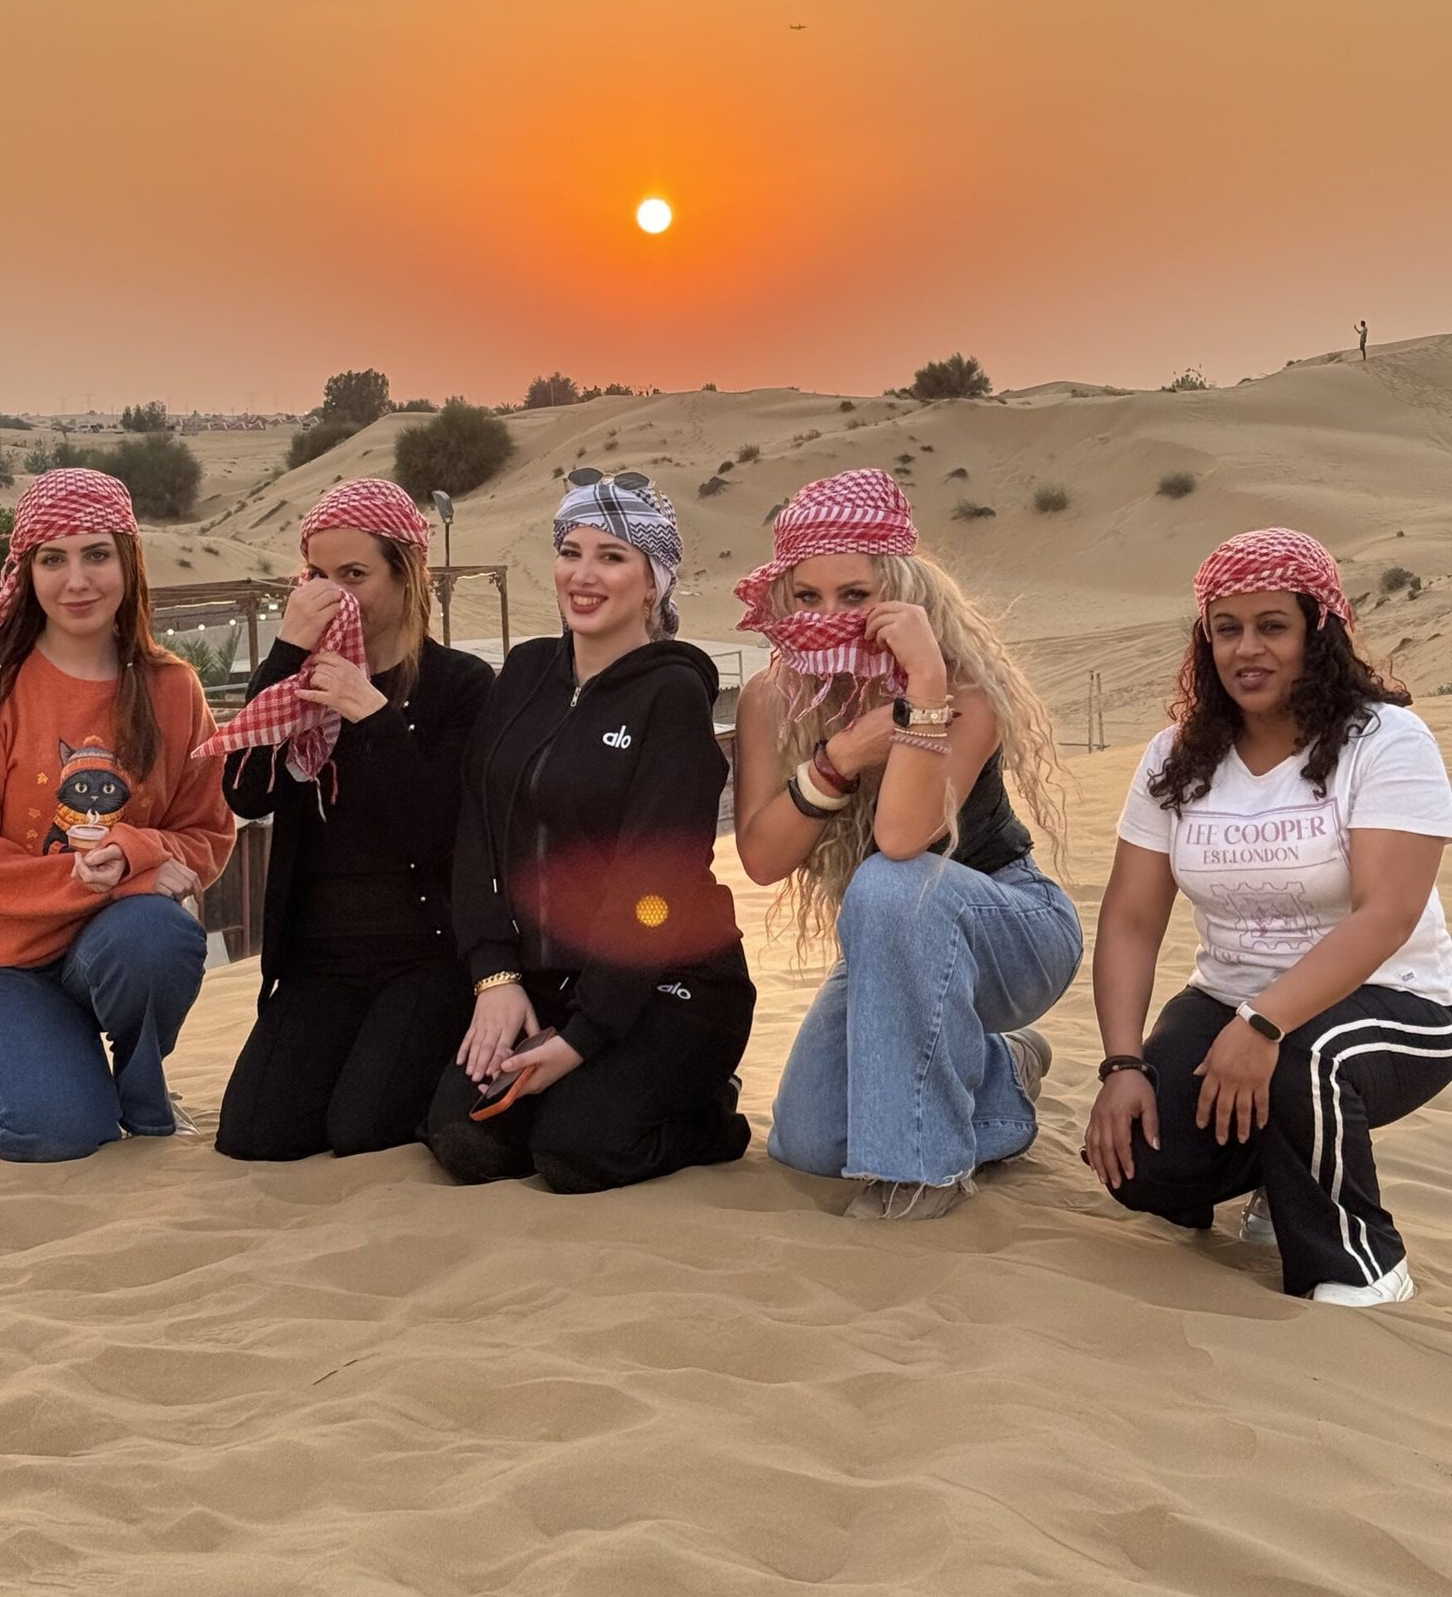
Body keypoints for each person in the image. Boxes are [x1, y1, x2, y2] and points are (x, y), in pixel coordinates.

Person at [1084, 528, 1452, 1307]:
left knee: (1298, 1058)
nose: (1247, 649)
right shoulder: (1175, 756)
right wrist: (1122, 1065)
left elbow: (1387, 914)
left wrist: (1262, 1021)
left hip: (1401, 1001)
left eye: (1272, 626)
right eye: (1227, 628)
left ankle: (1360, 1266)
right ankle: (1283, 1161)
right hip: (1229, 1002)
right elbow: (1130, 918)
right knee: (1145, 1166)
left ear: (1319, 632)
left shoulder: (1385, 741)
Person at [732, 470, 1081, 1220]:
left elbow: (899, 839)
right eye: (808, 596)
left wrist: (923, 685)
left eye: (855, 595)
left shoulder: (965, 686)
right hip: (887, 946)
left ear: (896, 587)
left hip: (1008, 927)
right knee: (810, 1143)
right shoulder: (771, 695)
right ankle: (1001, 1072)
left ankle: (923, 1169)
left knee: (889, 882)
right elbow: (762, 856)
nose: (832, 616)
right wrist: (839, 758)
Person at [423, 470, 755, 1193]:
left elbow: (656, 893)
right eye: (570, 550)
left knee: (579, 1151)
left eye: (612, 556)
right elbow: (478, 828)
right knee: (462, 1138)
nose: (584, 574)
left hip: (670, 983)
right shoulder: (524, 672)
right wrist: (495, 976)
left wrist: (583, 1036)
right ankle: (582, 1082)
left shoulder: (672, 695)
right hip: (545, 981)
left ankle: (711, 1115)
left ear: (652, 580)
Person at [0, 469, 234, 1162]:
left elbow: (207, 831)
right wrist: (84, 879)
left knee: (160, 937)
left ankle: (142, 1094)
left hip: (106, 948)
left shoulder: (173, 688)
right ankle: (3, 1076)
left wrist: (135, 853)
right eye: (53, 559)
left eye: (96, 554)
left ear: (128, 562)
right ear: (26, 572)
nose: (76, 580)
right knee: (57, 1130)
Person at [204, 480, 493, 1161]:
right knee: (255, 1134)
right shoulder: (299, 682)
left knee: (359, 1130)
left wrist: (373, 714)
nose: (333, 595)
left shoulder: (462, 685)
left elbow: (438, 825)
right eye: (318, 576)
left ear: (407, 573)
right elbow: (246, 791)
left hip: (425, 955)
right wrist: (282, 659)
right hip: (319, 962)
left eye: (354, 575)